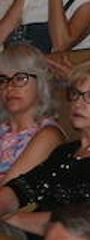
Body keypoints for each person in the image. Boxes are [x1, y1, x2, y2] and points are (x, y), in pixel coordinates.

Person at [0, 60, 90, 236]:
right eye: (76, 94)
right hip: (22, 233)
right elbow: (22, 188)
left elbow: (76, 221)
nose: (78, 103)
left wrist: (12, 220)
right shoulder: (66, 151)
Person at [0, 43, 61, 185]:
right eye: (3, 80)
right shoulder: (3, 129)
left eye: (20, 78)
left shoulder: (48, 135)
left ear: (41, 82)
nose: (10, 87)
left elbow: (8, 192)